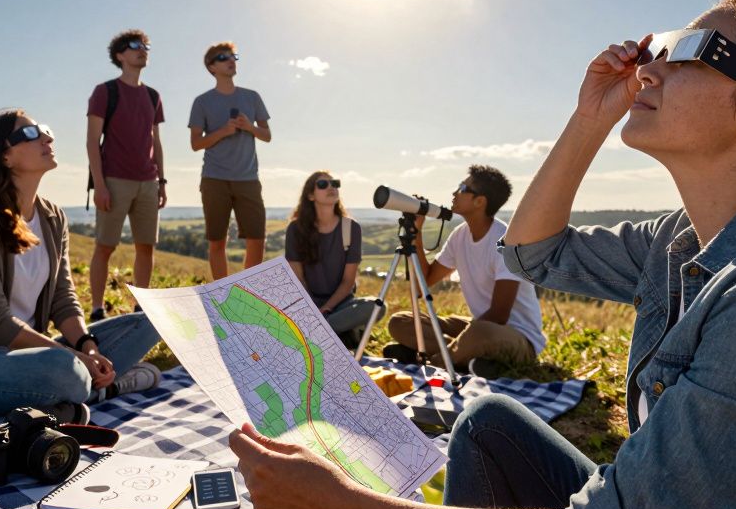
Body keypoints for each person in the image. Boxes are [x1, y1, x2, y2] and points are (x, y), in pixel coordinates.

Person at [228, 0, 736, 509]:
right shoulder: (682, 239)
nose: (649, 67)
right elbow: (537, 254)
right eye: (660, 46)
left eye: (691, 51)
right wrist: (589, 121)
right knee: (487, 422)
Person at [0, 110, 163, 420]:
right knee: (65, 371)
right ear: (5, 156)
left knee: (153, 320)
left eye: (44, 130)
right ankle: (101, 389)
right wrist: (71, 358)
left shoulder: (51, 217)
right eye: (31, 134)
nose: (48, 137)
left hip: (30, 356)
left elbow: (63, 297)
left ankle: (73, 397)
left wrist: (88, 348)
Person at [382, 165, 544, 375]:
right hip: (477, 329)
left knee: (479, 332)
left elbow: (499, 315)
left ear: (480, 201)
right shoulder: (460, 235)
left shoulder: (505, 242)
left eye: (462, 187)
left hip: (516, 338)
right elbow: (424, 283)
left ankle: (436, 361)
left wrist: (464, 338)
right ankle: (471, 361)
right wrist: (416, 233)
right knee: (400, 321)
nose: (454, 193)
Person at [86, 29, 167, 321]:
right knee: (105, 246)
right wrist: (100, 185)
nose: (142, 50)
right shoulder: (105, 91)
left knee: (146, 246)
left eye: (146, 45)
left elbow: (155, 141)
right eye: (135, 46)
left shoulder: (153, 95)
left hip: (149, 181)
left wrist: (162, 182)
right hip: (114, 180)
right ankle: (97, 309)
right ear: (120, 55)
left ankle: (140, 310)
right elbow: (92, 141)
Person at [188, 42, 271, 280]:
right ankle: (222, 294)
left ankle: (248, 293)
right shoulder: (202, 102)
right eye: (223, 57)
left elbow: (267, 136)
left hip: (248, 179)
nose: (231, 60)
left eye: (233, 56)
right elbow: (195, 143)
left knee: (257, 238)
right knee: (217, 241)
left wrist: (249, 127)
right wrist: (223, 131)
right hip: (215, 179)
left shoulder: (252, 97)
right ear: (211, 67)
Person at [284, 171, 382, 349]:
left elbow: (348, 282)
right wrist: (312, 309)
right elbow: (297, 278)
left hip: (340, 304)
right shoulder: (295, 229)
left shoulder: (351, 228)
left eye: (335, 184)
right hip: (307, 302)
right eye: (323, 185)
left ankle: (315, 334)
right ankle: (339, 334)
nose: (331, 188)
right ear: (310, 195)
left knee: (376, 306)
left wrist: (326, 309)